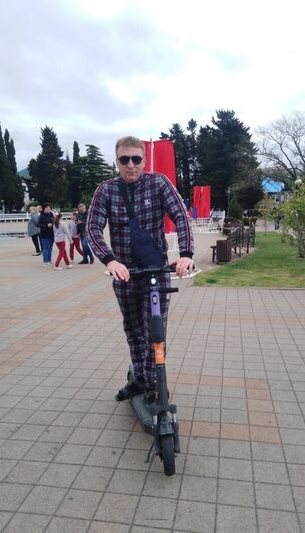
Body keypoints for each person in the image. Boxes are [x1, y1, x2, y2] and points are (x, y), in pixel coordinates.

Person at [87, 136, 194, 403]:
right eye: (125, 159)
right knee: (133, 330)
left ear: (144, 160)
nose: (131, 165)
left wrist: (186, 255)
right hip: (124, 274)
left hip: (156, 272)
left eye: (136, 159)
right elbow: (92, 228)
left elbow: (181, 216)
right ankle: (140, 379)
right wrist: (110, 260)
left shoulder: (159, 183)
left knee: (154, 331)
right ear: (117, 162)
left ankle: (157, 383)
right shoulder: (106, 190)